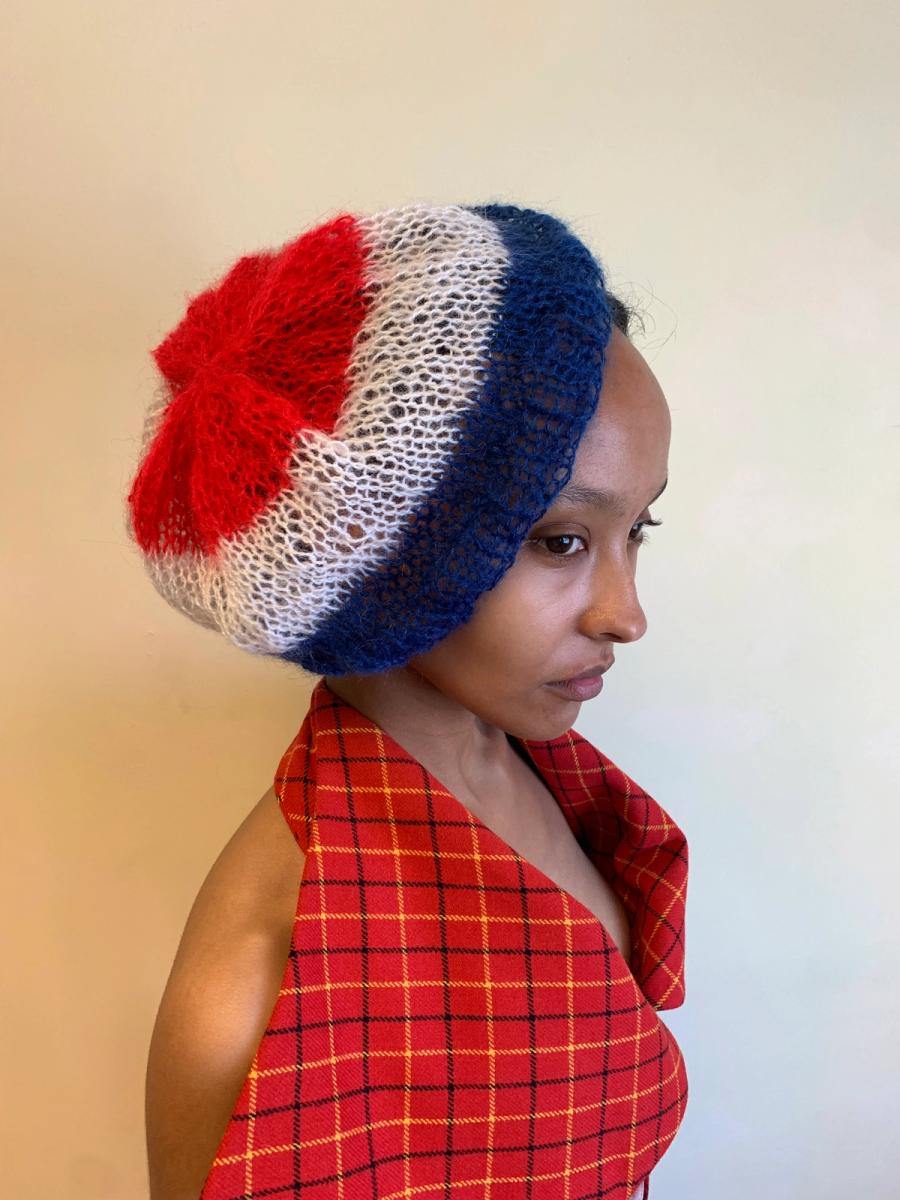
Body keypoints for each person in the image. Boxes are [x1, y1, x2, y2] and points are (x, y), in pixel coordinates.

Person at [126, 202, 689, 1200]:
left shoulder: (544, 780)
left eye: (639, 529)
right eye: (561, 540)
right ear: (378, 559)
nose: (626, 614)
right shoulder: (268, 977)